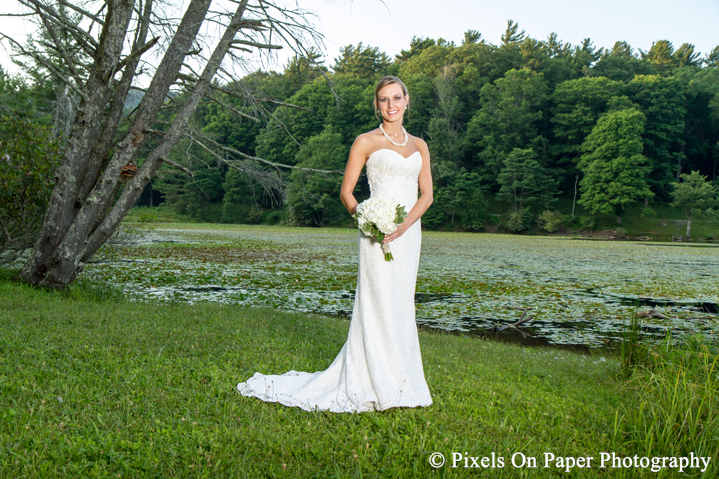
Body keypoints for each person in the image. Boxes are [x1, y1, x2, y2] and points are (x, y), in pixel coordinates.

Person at [237, 76, 433, 412]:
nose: (391, 105)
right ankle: (372, 380)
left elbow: (427, 195)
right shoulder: (365, 142)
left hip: (408, 233)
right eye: (384, 100)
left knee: (401, 302)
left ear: (406, 100)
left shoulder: (420, 145)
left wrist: (402, 227)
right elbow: (346, 193)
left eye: (396, 98)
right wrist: (369, 221)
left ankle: (402, 381)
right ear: (377, 104)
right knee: (377, 303)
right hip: (375, 233)